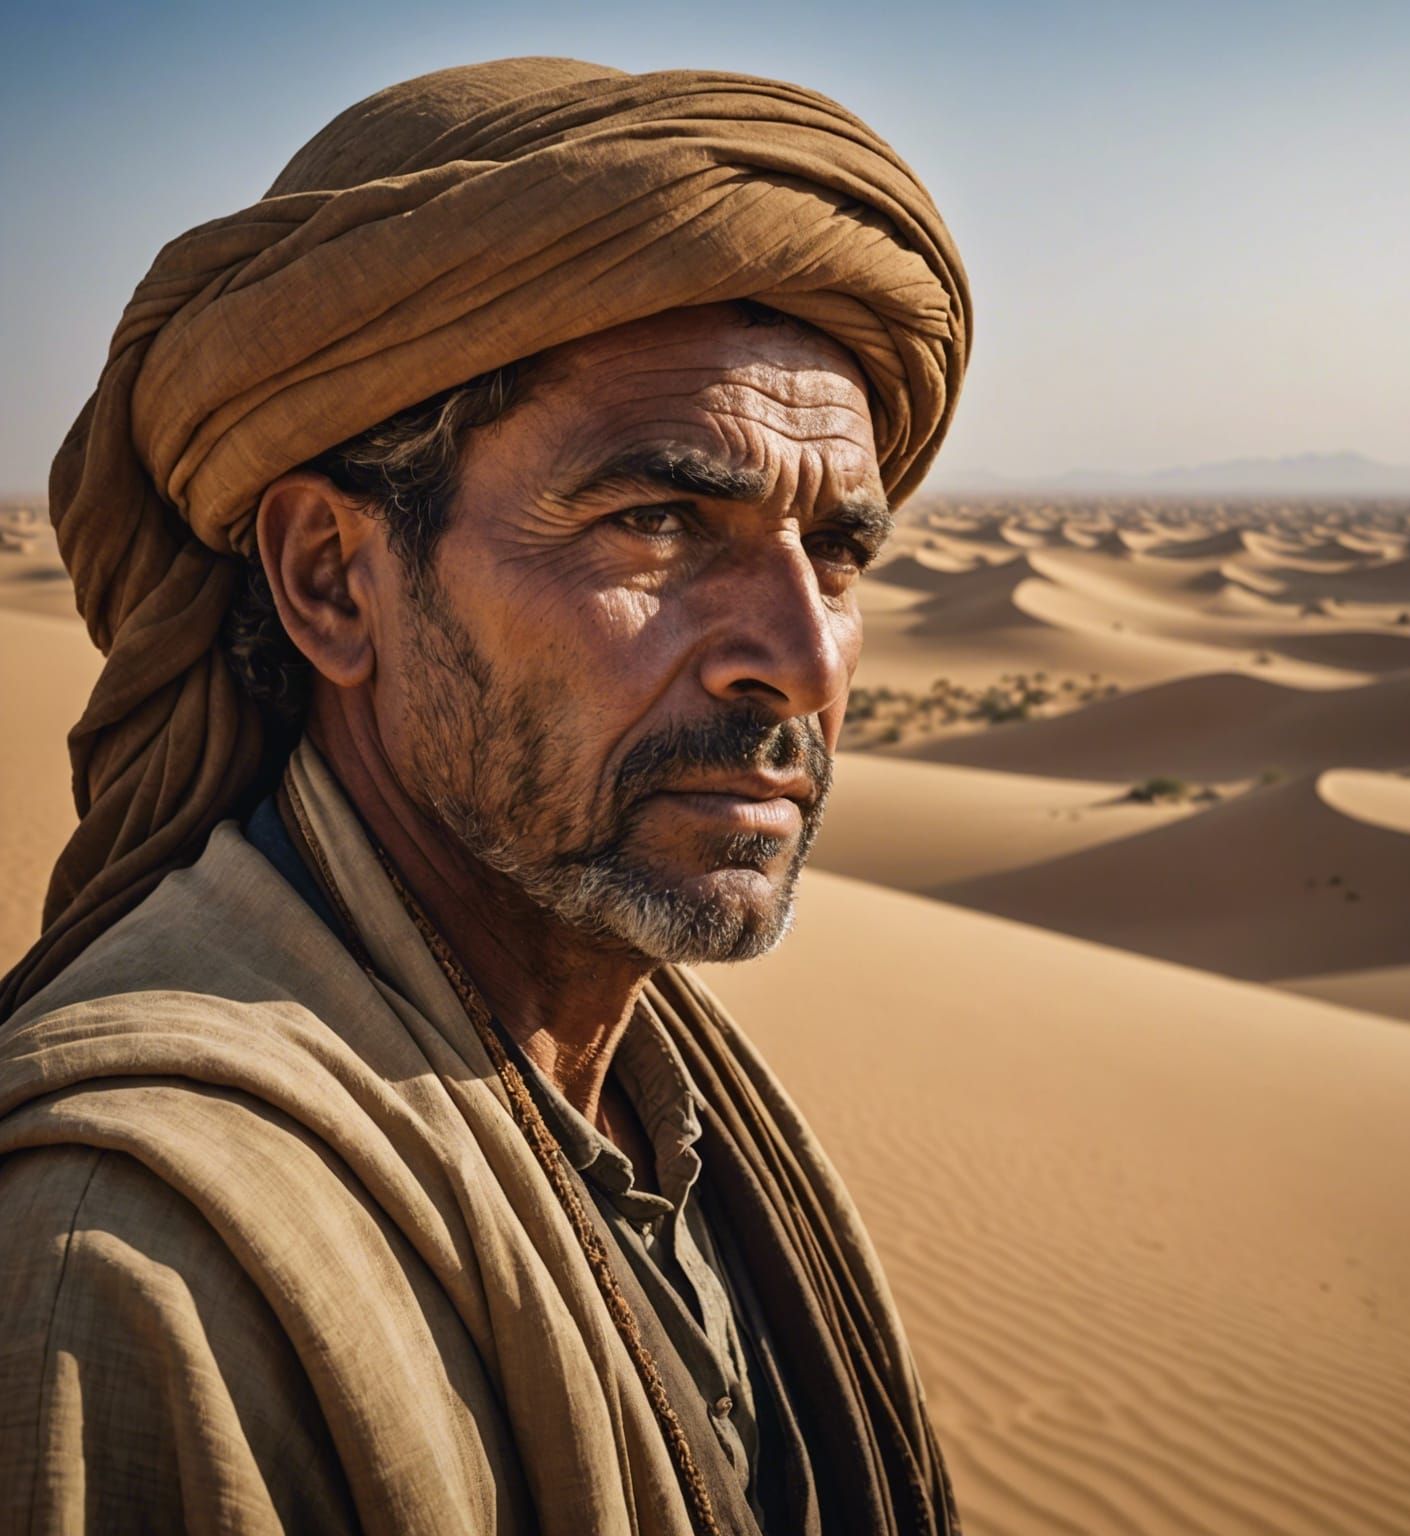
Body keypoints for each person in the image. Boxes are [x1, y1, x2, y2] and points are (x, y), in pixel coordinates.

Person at [0, 57, 969, 1534]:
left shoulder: (662, 1103)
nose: (801, 661)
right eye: (658, 521)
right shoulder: (135, 1263)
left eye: (836, 554)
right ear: (333, 579)